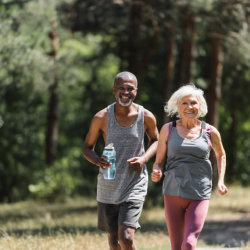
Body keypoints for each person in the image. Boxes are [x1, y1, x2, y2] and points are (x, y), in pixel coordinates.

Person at [82, 71, 159, 250]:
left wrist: (143, 159)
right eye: (121, 88)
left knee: (125, 237)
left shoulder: (146, 116)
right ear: (114, 90)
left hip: (134, 183)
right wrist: (97, 161)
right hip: (108, 185)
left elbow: (156, 140)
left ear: (136, 91)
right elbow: (87, 147)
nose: (125, 92)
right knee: (113, 241)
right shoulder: (102, 117)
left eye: (130, 89)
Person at [151, 84, 228, 250]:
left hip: (199, 192)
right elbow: (158, 161)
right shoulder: (168, 129)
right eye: (184, 103)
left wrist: (220, 180)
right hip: (173, 192)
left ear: (200, 106)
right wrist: (156, 170)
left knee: (189, 244)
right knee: (176, 247)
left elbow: (221, 154)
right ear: (177, 106)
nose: (189, 107)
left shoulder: (210, 131)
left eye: (193, 103)